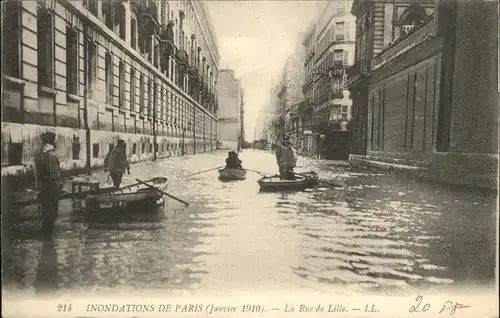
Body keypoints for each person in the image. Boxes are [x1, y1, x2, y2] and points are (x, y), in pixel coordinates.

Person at [34, 131, 63, 237]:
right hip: (52, 186)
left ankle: (45, 234)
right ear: (51, 141)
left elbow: (37, 173)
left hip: (43, 186)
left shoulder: (39, 153)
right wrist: (59, 184)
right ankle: (47, 236)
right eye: (54, 140)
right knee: (53, 211)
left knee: (45, 209)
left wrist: (38, 187)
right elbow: (54, 172)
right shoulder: (51, 154)